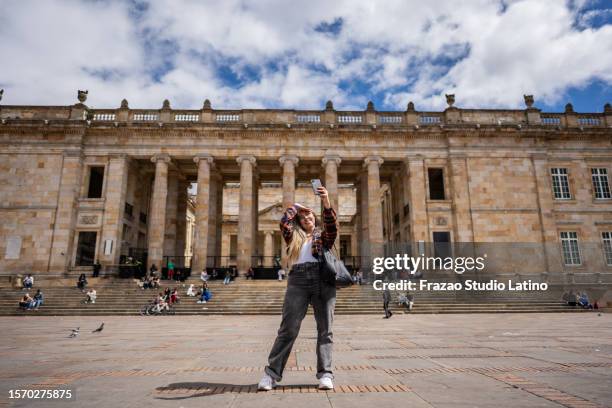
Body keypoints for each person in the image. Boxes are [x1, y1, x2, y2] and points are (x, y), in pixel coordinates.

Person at [258, 185, 337, 391]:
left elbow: (332, 225)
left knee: (325, 330)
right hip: (298, 279)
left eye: (310, 216)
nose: (307, 219)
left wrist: (326, 201)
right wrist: (296, 207)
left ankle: (326, 374)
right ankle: (271, 374)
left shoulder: (323, 236)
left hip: (322, 278)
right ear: (300, 222)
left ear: (315, 219)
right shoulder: (294, 238)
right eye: (303, 218)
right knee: (288, 328)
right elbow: (284, 223)